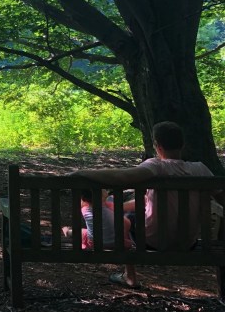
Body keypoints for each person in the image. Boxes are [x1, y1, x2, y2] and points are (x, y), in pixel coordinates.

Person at [71, 121, 213, 289]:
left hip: (153, 242)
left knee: (124, 219)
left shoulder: (156, 166)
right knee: (131, 212)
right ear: (182, 144)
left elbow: (122, 177)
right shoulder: (201, 169)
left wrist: (82, 173)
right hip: (187, 243)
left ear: (158, 146)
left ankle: (129, 276)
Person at [66, 188, 133, 250]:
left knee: (83, 232)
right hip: (119, 244)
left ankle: (68, 232)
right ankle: (68, 232)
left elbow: (83, 205)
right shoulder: (111, 209)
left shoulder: (84, 210)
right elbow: (127, 223)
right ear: (103, 196)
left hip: (95, 244)